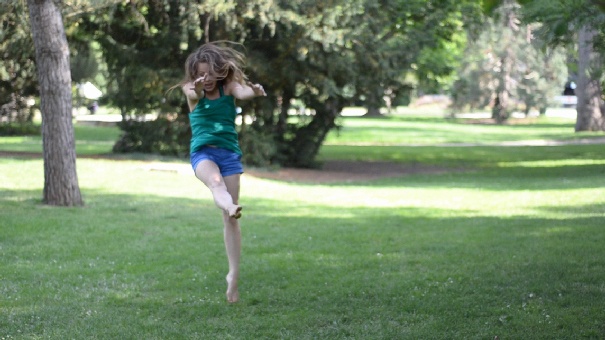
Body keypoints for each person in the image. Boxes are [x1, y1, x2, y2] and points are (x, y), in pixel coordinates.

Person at [178, 42, 266, 303]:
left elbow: (242, 91)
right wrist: (195, 88)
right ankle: (229, 205)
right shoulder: (191, 89)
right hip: (203, 154)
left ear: (218, 71)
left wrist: (254, 92)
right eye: (199, 74)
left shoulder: (227, 88)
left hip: (229, 155)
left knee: (231, 221)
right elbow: (194, 94)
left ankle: (233, 275)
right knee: (216, 185)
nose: (204, 79)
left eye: (209, 74)